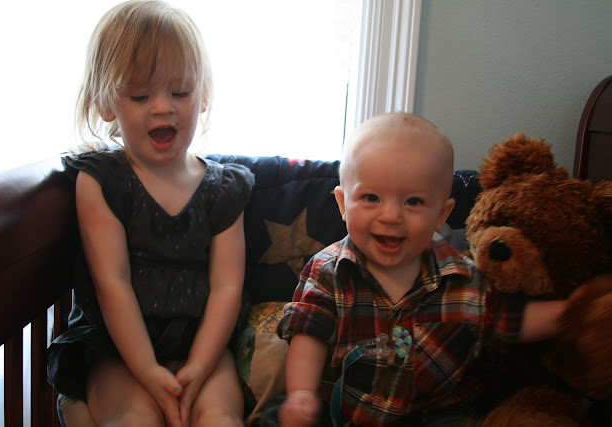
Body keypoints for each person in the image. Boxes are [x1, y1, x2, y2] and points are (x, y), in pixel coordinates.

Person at [272, 112, 567, 426]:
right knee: (277, 415)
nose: (390, 216)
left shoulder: (464, 279)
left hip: (434, 413)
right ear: (343, 204)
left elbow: (511, 320)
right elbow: (309, 336)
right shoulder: (328, 271)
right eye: (371, 198)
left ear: (441, 214)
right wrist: (300, 394)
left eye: (413, 202)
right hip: (346, 411)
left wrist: (574, 312)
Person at [46, 1, 253, 426]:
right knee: (135, 417)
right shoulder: (103, 181)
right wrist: (147, 372)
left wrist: (199, 365)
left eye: (180, 92)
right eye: (141, 96)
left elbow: (227, 286)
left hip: (203, 343)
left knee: (219, 416)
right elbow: (113, 284)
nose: (163, 107)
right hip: (117, 349)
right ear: (107, 104)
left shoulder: (224, 189)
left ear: (204, 96)